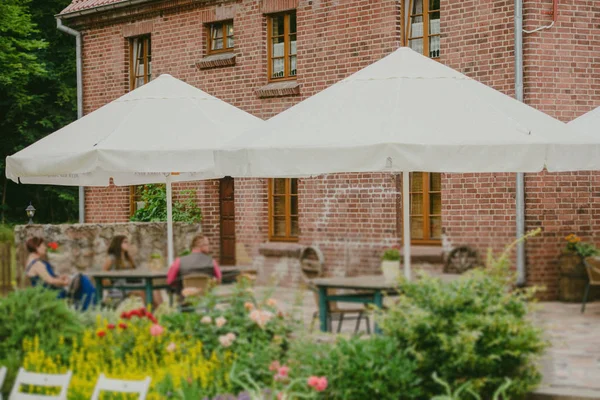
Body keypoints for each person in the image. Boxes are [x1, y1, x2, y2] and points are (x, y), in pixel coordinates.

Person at [25, 237, 97, 311]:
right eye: (43, 245)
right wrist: (64, 282)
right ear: (37, 247)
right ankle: (92, 308)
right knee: (83, 281)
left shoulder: (32, 261)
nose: (45, 248)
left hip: (50, 291)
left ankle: (89, 308)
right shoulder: (37, 264)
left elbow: (47, 279)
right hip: (51, 294)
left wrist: (60, 277)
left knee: (81, 281)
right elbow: (50, 281)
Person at [102, 235, 162, 307]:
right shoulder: (111, 258)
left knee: (155, 289)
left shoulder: (128, 258)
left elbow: (134, 273)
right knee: (143, 291)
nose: (128, 244)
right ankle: (150, 312)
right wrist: (109, 288)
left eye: (128, 242)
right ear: (118, 244)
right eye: (125, 242)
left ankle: (160, 311)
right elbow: (103, 275)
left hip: (131, 283)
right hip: (120, 286)